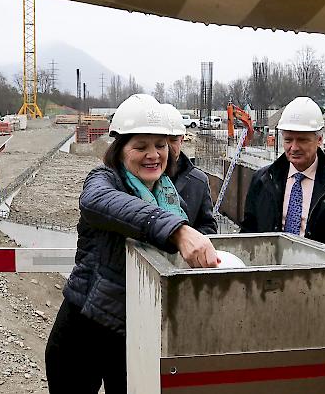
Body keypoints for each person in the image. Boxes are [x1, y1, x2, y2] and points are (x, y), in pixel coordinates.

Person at [45, 94, 219, 394]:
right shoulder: (103, 181)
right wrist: (178, 231)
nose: (153, 155)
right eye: (140, 146)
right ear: (120, 150)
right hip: (84, 330)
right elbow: (101, 203)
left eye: (160, 145)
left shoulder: (169, 194)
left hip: (137, 332)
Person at [240, 97, 325, 245]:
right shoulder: (262, 179)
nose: (294, 148)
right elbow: (249, 232)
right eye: (288, 140)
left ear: (319, 140)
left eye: (302, 140)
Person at [163, 103, 217, 235]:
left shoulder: (198, 181)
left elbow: (208, 226)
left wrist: (188, 240)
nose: (167, 147)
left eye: (173, 140)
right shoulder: (138, 178)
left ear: (182, 139)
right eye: (161, 141)